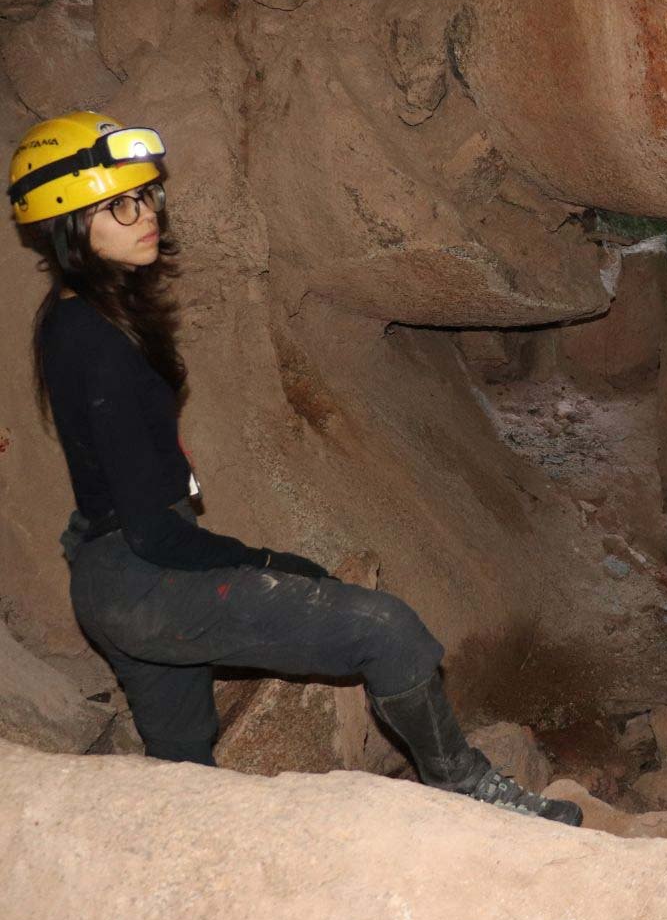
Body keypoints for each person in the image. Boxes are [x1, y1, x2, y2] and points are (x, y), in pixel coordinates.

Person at [8, 110, 582, 827]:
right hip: (145, 578)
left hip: (109, 573)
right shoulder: (98, 344)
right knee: (388, 630)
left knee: (184, 780)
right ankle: (468, 789)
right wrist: (273, 561)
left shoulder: (73, 318)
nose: (146, 214)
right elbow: (158, 535)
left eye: (148, 195)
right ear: (67, 223)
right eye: (121, 204)